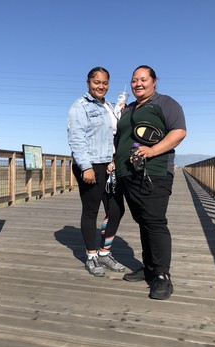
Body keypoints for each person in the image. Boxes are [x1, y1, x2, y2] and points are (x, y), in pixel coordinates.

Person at [113, 65, 187, 300]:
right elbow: (121, 138)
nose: (138, 83)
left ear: (154, 82)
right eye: (134, 80)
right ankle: (149, 269)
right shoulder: (129, 108)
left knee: (154, 222)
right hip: (128, 173)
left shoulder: (165, 103)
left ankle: (163, 276)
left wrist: (153, 150)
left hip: (154, 173)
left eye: (143, 79)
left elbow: (179, 132)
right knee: (143, 221)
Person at [67, 66, 126, 277]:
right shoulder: (79, 107)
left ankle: (104, 252)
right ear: (88, 83)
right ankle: (91, 256)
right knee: (91, 211)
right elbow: (76, 139)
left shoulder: (108, 106)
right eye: (96, 82)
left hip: (109, 165)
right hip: (91, 165)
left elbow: (112, 134)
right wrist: (86, 167)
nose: (101, 86)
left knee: (116, 210)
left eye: (105, 83)